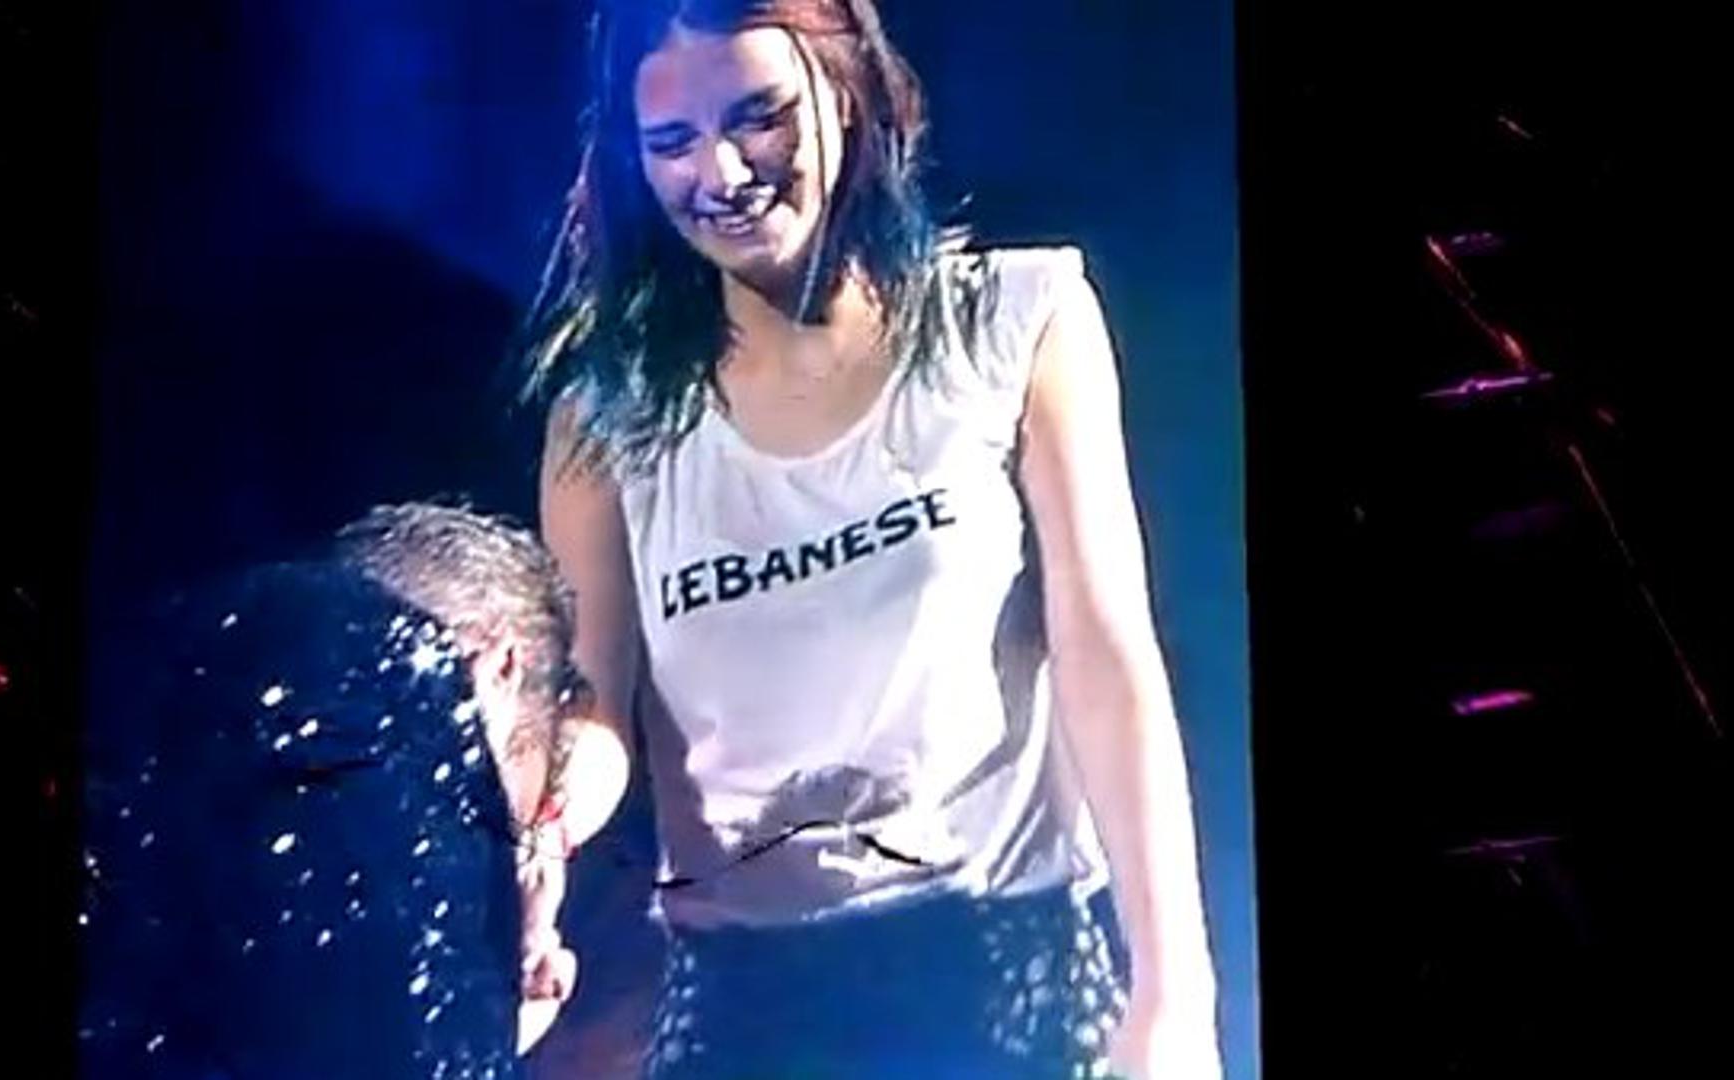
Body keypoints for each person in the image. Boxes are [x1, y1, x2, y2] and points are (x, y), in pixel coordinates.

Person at [514, 1, 1222, 1076]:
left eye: (758, 117)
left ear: (846, 91)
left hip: (1006, 972)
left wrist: (1174, 996)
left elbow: (1106, 653)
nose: (720, 171)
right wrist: (544, 801)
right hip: (746, 1003)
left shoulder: (1011, 320)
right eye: (671, 141)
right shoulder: (606, 421)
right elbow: (599, 711)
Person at [78, 503, 586, 1077]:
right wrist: (482, 1011)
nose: (487, 857)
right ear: (498, 669)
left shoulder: (162, 697)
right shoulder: (376, 781)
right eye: (497, 821)